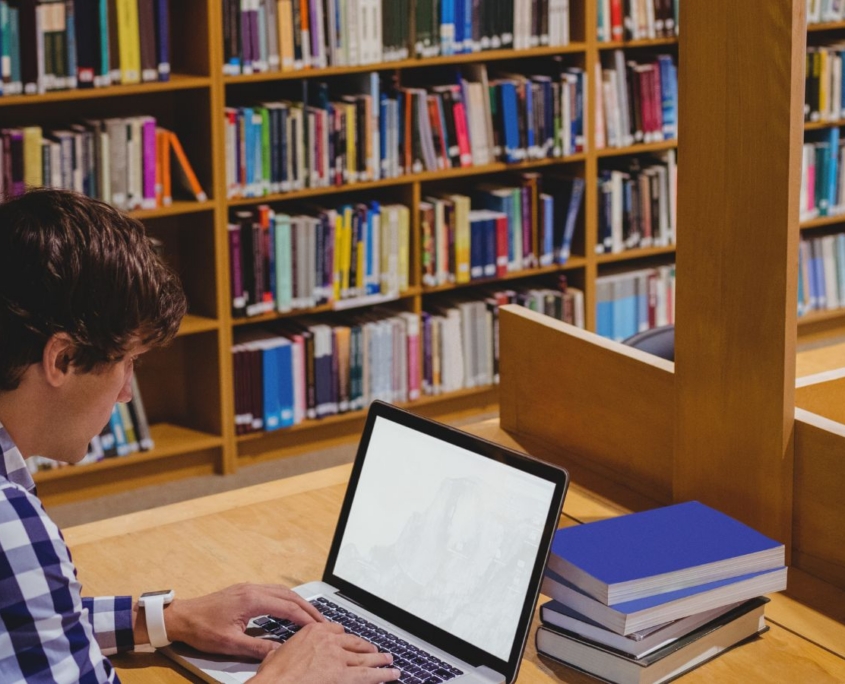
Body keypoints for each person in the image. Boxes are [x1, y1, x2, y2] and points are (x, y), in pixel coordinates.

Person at [0, 188, 401, 684]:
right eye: (127, 362)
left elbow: (25, 624)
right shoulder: (10, 524)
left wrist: (168, 619)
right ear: (61, 359)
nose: (126, 392)